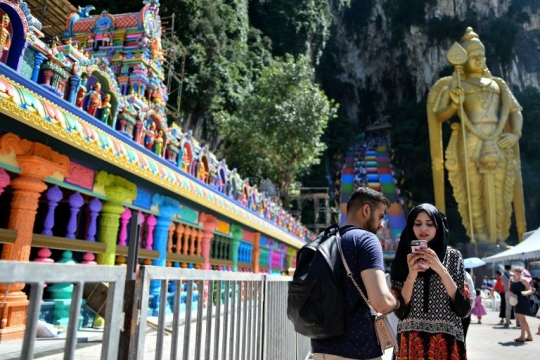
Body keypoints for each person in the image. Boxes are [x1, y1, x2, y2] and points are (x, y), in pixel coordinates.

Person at [428, 27, 525, 245]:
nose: (479, 60)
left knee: (502, 189)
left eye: (482, 56)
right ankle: (478, 238)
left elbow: (515, 111)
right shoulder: (457, 83)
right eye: (473, 57)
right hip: (470, 139)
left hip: (499, 138)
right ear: (464, 60)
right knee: (473, 192)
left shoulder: (498, 84)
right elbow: (439, 114)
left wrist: (515, 134)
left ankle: (500, 237)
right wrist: (454, 102)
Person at [312, 187, 399, 360]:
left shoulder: (323, 240)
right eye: (381, 216)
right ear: (366, 210)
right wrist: (398, 302)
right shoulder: (366, 240)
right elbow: (380, 302)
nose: (382, 224)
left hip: (321, 348)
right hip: (357, 349)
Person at [391, 203, 473, 359]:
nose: (423, 228)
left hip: (445, 344)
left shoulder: (453, 257)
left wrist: (441, 269)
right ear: (410, 227)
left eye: (430, 224)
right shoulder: (403, 257)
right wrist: (411, 275)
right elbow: (400, 312)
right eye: (417, 224)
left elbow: (464, 309)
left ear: (438, 227)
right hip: (410, 343)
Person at [509, 266, 534, 342]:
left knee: (521, 319)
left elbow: (530, 290)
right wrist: (512, 295)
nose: (518, 272)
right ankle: (529, 336)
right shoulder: (511, 279)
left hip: (523, 300)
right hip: (515, 300)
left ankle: (522, 337)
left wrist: (525, 292)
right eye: (516, 270)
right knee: (522, 319)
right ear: (514, 271)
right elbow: (509, 290)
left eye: (520, 271)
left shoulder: (524, 280)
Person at [462, 269, 476, 339]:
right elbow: (473, 295)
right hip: (466, 307)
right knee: (463, 337)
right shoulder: (467, 275)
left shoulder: (462, 275)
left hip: (461, 308)